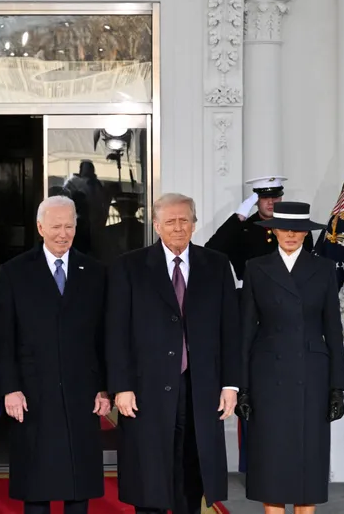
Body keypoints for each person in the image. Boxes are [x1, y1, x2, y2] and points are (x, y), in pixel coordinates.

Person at [105, 193, 240, 514]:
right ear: (156, 225)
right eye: (170, 221)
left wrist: (231, 385)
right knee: (149, 474)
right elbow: (116, 332)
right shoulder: (129, 266)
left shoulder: (217, 265)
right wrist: (120, 387)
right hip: (145, 389)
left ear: (194, 224)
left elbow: (230, 330)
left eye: (184, 220)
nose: (178, 227)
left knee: (193, 473)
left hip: (200, 388)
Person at [0, 195, 111, 514]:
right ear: (40, 227)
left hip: (81, 392)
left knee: (79, 480)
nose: (63, 233)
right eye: (56, 226)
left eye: (69, 226)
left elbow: (103, 337)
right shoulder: (14, 271)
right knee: (36, 481)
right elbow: (3, 337)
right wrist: (9, 388)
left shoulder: (96, 271)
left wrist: (104, 386)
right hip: (32, 391)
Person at [235, 201, 344, 514]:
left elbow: (333, 331)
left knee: (308, 459)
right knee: (272, 458)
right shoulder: (256, 268)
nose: (291, 235)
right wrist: (242, 386)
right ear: (273, 230)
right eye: (285, 228)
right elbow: (245, 331)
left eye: (298, 230)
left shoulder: (323, 269)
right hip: (267, 377)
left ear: (305, 233)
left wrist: (337, 386)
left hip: (312, 376)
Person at [204, 175, 313, 474]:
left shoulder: (296, 230)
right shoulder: (245, 229)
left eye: (275, 197)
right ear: (256, 200)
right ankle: (254, 462)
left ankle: (290, 458)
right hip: (251, 314)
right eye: (265, 198)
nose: (271, 203)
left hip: (289, 316)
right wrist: (239, 216)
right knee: (252, 387)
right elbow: (212, 250)